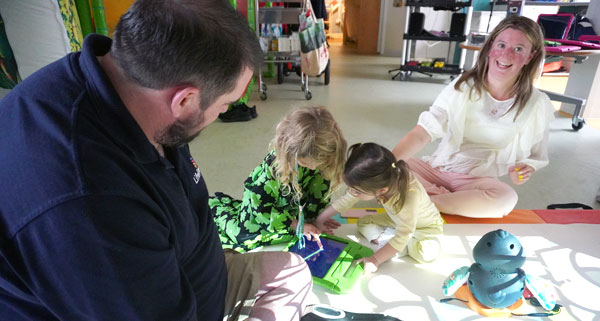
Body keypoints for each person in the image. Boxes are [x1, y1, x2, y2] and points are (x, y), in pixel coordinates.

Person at [0, 1, 312, 320]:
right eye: (225, 104)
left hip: (185, 270)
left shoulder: (130, 85)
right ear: (185, 100)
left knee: (292, 270)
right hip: (166, 299)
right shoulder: (90, 201)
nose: (224, 112)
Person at [392, 15, 555, 218]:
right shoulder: (462, 86)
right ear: (490, 48)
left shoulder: (537, 103)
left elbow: (535, 156)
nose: (506, 55)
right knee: (395, 169)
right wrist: (383, 167)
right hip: (437, 169)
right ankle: (446, 204)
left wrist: (525, 169)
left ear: (531, 56)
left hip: (476, 180)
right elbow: (423, 133)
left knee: (506, 199)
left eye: (518, 49)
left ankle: (425, 202)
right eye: (502, 45)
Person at [210, 106, 346, 252]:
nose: (313, 168)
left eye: (319, 164)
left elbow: (318, 193)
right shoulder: (273, 168)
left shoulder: (322, 156)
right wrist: (296, 225)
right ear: (290, 152)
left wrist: (317, 219)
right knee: (242, 237)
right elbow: (260, 210)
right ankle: (214, 209)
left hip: (290, 209)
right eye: (305, 163)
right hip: (261, 214)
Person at [314, 143, 444, 272]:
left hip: (425, 228)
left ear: (382, 190)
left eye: (357, 192)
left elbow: (404, 234)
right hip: (396, 220)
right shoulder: (381, 180)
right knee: (363, 222)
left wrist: (375, 260)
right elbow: (345, 201)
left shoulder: (409, 197)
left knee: (427, 254)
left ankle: (397, 246)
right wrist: (318, 221)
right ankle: (392, 245)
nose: (352, 193)